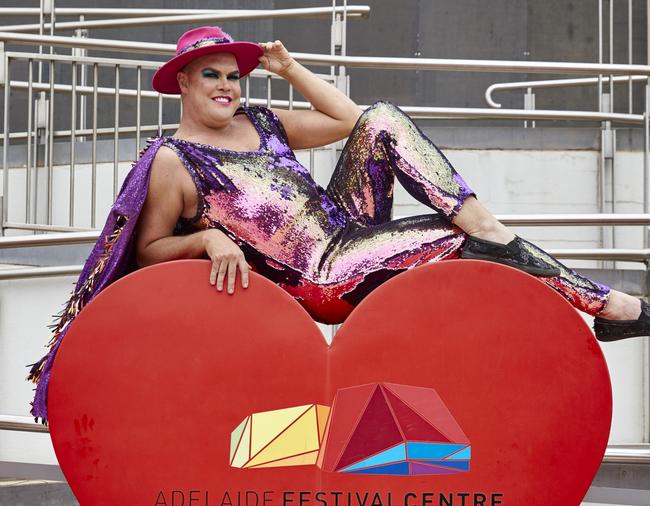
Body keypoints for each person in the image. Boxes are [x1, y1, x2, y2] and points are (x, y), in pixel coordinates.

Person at [27, 25, 650, 423]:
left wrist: (290, 69)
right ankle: (603, 304)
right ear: (183, 83)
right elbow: (150, 248)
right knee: (460, 240)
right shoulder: (172, 159)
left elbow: (352, 120)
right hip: (318, 278)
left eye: (234, 75)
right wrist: (205, 237)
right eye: (211, 75)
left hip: (345, 230)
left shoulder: (264, 121)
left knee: (381, 115)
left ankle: (495, 230)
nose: (226, 86)